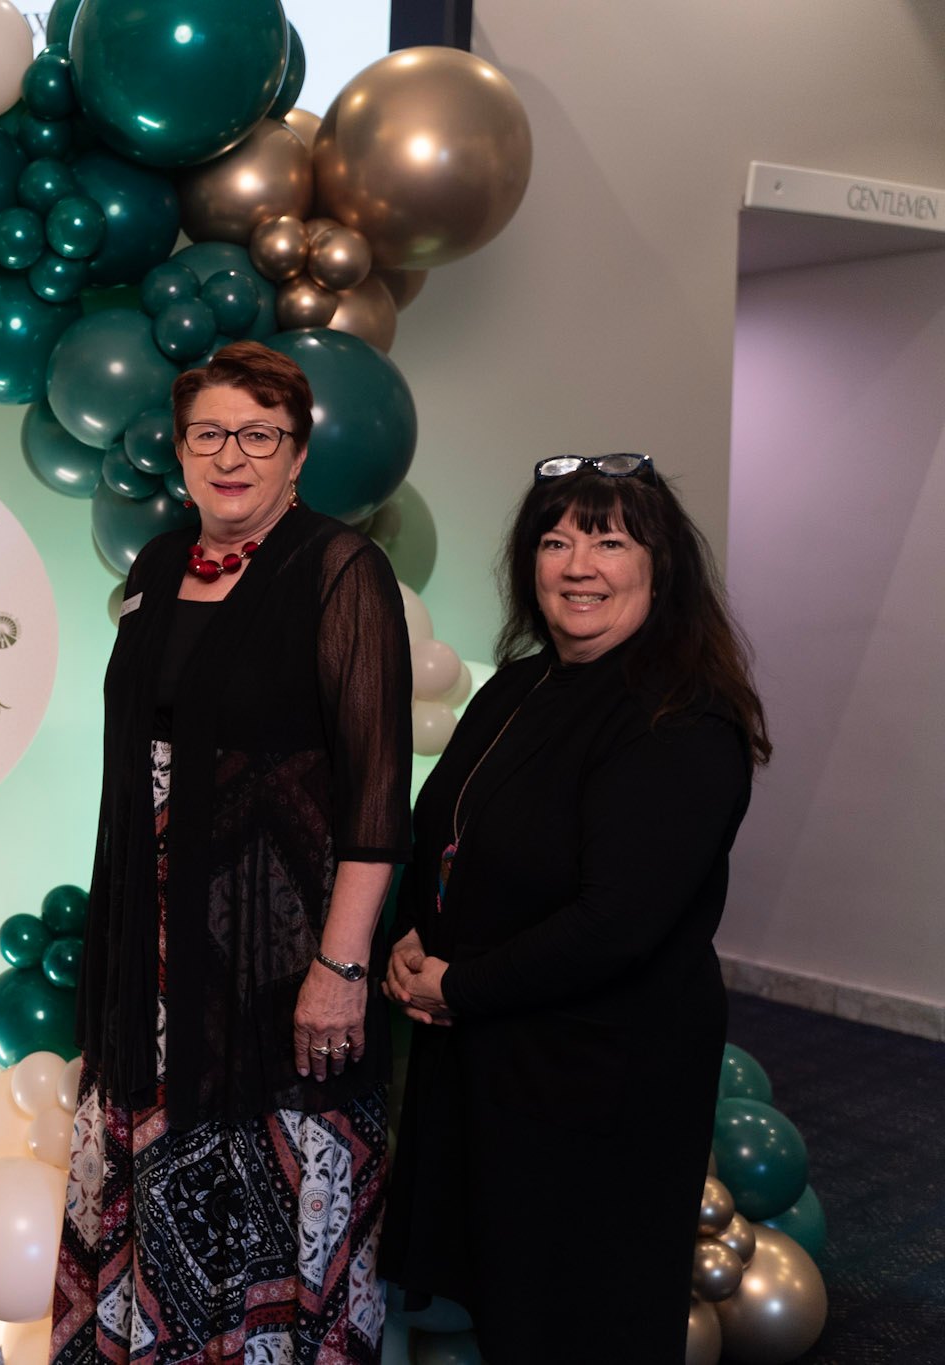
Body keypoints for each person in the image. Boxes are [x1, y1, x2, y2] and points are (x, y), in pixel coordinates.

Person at [57, 341, 413, 1363]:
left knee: (266, 1187)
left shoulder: (340, 571)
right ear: (179, 451)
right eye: (208, 433)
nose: (230, 455)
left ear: (297, 455)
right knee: (149, 1166)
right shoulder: (157, 566)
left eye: (259, 435)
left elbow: (376, 792)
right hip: (152, 950)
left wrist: (341, 967)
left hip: (276, 954)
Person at [381, 454, 770, 1361]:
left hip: (600, 1076)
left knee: (580, 1319)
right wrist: (412, 931)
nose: (578, 566)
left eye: (610, 542)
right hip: (494, 1059)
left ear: (660, 567)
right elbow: (446, 833)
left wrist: (459, 985)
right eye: (556, 542)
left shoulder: (683, 716)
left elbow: (617, 922)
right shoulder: (518, 685)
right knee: (506, 1305)